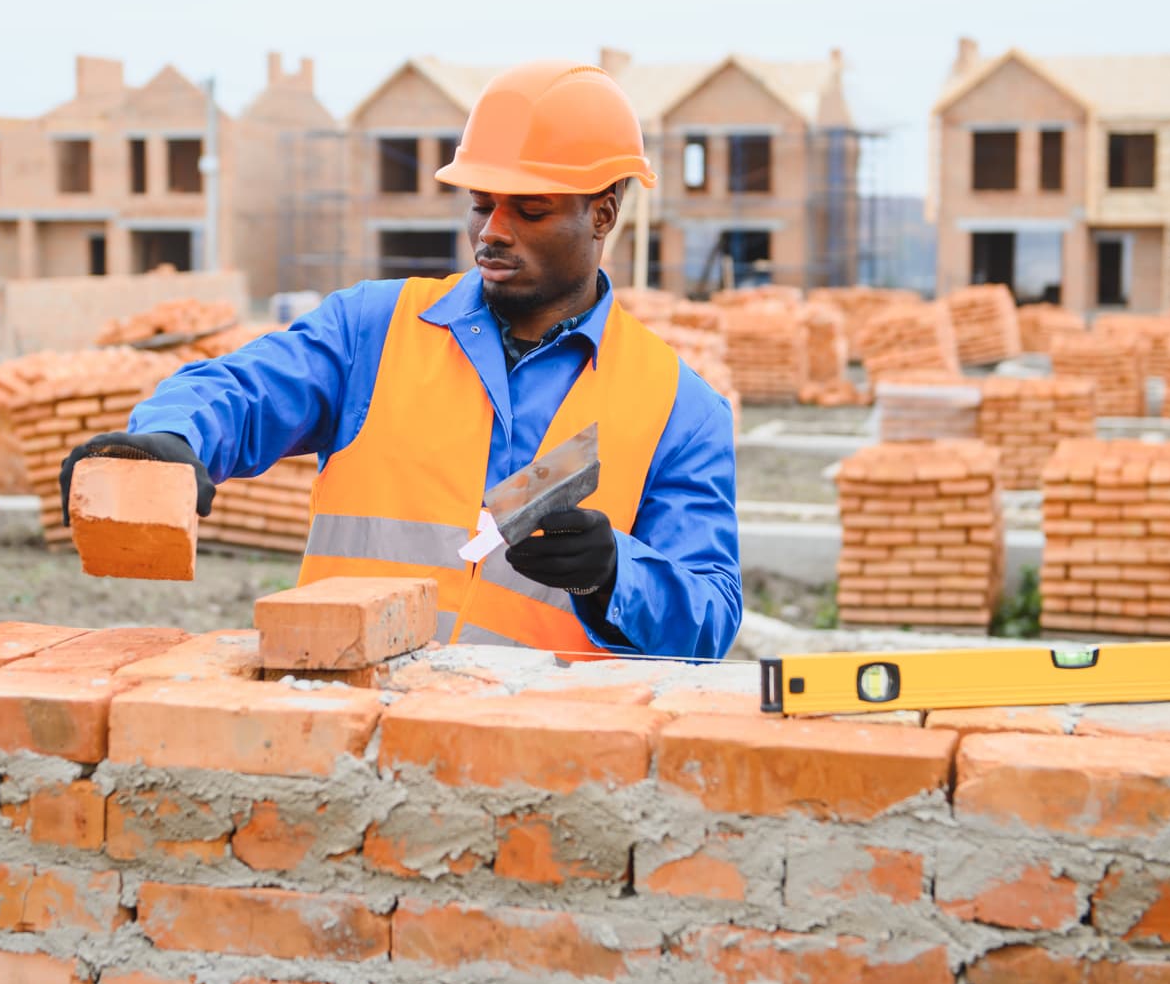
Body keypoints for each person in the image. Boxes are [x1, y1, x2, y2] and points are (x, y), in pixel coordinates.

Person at [59, 60, 739, 658]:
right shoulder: (375, 330)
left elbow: (709, 619)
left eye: (530, 209)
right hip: (344, 756)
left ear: (603, 213)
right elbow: (246, 388)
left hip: (547, 778)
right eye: (480, 204)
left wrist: (616, 571)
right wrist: (173, 435)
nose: (493, 231)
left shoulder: (678, 407)